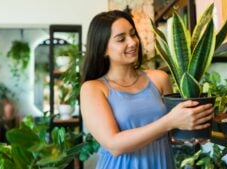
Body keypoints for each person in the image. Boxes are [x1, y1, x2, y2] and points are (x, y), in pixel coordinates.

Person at [80, 10, 214, 169]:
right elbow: (114, 145)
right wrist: (169, 121)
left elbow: (171, 135)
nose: (132, 42)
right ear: (103, 49)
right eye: (121, 39)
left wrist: (192, 131)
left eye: (133, 34)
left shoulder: (159, 79)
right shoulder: (93, 89)